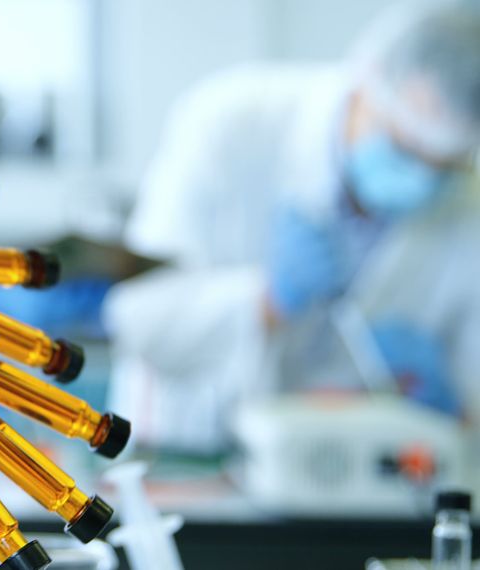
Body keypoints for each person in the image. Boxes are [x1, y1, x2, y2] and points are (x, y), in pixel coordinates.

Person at [103, 2, 480, 453]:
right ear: (368, 82)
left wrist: (454, 403)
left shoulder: (465, 202)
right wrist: (266, 300)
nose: (420, 175)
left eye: (443, 165)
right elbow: (138, 318)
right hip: (188, 456)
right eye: (404, 144)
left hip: (356, 482)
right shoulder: (232, 122)